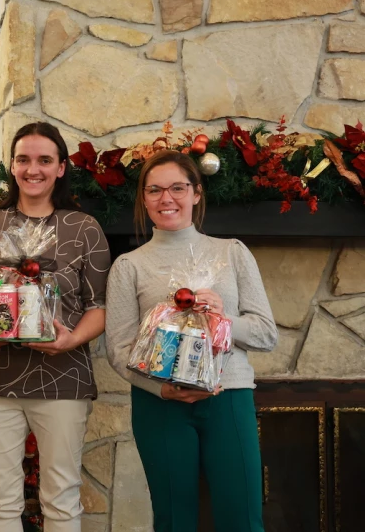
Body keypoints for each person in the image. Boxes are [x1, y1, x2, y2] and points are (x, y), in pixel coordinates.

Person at [105, 150, 278, 532]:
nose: (167, 198)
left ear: (197, 193)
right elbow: (118, 351)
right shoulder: (128, 267)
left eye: (178, 188)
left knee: (243, 518)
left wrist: (221, 319)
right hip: (159, 404)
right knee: (173, 521)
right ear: (144, 198)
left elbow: (266, 334)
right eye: (155, 190)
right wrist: (162, 390)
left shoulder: (231, 253)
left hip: (228, 397)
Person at [0, 122, 111, 532]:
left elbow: (100, 306)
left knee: (61, 497)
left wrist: (72, 339)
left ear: (61, 168)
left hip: (63, 380)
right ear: (12, 166)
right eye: (23, 159)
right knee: (0, 498)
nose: (33, 169)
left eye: (45, 160)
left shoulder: (84, 229)